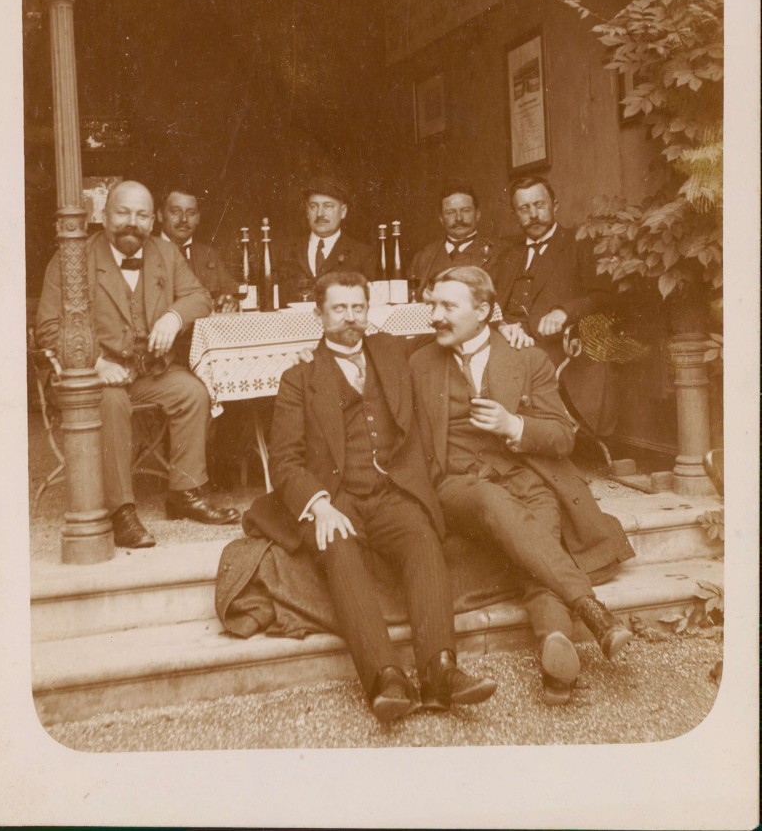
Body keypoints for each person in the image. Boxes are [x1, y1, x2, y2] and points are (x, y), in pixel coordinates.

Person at [245, 271, 497, 723]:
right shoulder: (298, 377)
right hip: (335, 497)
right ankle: (385, 677)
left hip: (391, 491)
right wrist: (319, 505)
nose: (349, 319)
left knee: (422, 537)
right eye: (339, 309)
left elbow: (459, 326)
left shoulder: (394, 350)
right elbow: (284, 460)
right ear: (318, 314)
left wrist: (507, 325)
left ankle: (441, 670)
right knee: (338, 549)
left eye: (358, 308)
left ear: (368, 311)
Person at [410, 266, 635, 706]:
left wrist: (515, 424)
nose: (434, 315)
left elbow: (562, 436)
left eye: (447, 306)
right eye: (432, 304)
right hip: (460, 485)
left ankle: (556, 654)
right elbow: (363, 348)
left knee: (538, 543)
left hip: (527, 479)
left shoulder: (527, 358)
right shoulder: (418, 362)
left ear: (483, 311)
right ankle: (593, 611)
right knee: (494, 502)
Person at [35, 180, 240, 549]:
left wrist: (173, 318)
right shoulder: (73, 257)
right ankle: (121, 511)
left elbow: (198, 296)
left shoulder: (164, 251)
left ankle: (185, 491)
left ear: (152, 219)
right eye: (123, 213)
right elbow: (49, 327)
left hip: (147, 372)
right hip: (91, 375)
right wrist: (94, 364)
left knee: (192, 392)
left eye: (142, 215)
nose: (133, 222)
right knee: (111, 402)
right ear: (103, 215)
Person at [494, 175, 618, 435]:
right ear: (515, 213)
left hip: (551, 341)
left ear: (555, 205)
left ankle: (534, 438)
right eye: (524, 208)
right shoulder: (508, 252)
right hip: (505, 335)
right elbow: (490, 299)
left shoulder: (579, 244)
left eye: (539, 205)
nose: (533, 214)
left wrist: (565, 312)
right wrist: (503, 325)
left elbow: (603, 296)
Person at [278, 176, 376, 304]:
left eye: (328, 206)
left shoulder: (364, 254)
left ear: (343, 211)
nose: (320, 214)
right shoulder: (285, 251)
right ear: (307, 211)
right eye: (313, 206)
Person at [408, 181, 499, 296]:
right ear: (441, 219)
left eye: (465, 211)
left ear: (477, 215)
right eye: (450, 212)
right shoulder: (422, 258)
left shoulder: (499, 254)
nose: (459, 218)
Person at [156, 185, 239, 312]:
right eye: (176, 211)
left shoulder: (210, 255)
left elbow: (230, 294)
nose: (184, 219)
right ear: (160, 215)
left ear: (198, 218)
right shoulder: (145, 252)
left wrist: (229, 301)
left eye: (191, 213)